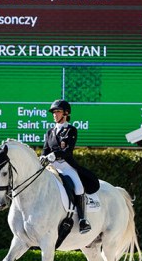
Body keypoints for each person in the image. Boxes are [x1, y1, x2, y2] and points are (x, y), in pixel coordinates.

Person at [40, 99, 99, 234]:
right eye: (54, 112)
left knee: (78, 188)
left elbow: (67, 151)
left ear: (66, 113)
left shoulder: (71, 130)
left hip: (66, 166)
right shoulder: (50, 132)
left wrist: (54, 155)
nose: (55, 115)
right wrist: (43, 157)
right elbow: (45, 149)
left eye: (58, 112)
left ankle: (83, 220)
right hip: (52, 166)